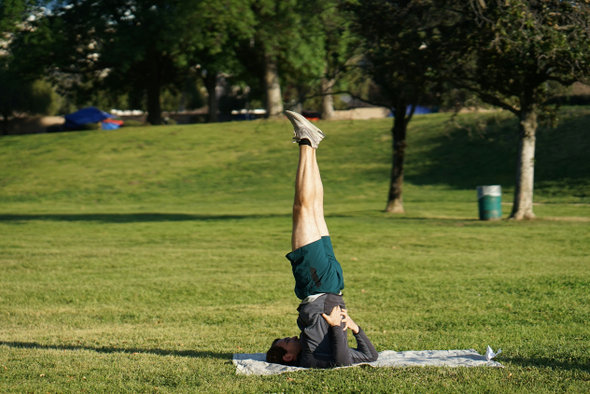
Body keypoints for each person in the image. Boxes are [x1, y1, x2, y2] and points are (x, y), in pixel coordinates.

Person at [265, 111, 378, 369]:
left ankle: (311, 143)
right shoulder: (310, 358)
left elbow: (371, 357)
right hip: (318, 284)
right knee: (301, 209)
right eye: (284, 342)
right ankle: (307, 141)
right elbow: (340, 362)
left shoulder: (311, 348)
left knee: (314, 209)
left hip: (330, 284)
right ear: (287, 357)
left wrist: (355, 329)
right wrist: (340, 327)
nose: (290, 337)